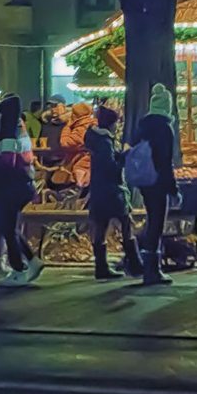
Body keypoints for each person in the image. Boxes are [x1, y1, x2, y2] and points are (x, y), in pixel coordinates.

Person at [0, 95, 41, 287]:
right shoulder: (21, 132)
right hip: (20, 187)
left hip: (8, 189)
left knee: (8, 229)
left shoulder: (8, 135)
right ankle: (31, 261)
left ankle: (19, 270)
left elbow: (7, 163)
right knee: (9, 228)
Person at [84, 105, 140, 280]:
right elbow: (111, 167)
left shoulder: (97, 140)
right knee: (125, 222)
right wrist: (124, 155)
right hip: (112, 190)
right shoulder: (105, 142)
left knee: (101, 226)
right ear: (111, 124)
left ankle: (101, 266)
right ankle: (134, 263)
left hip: (99, 189)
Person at [130, 85, 178, 286]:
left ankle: (147, 264)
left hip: (145, 180)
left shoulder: (143, 126)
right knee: (157, 222)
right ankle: (153, 269)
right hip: (158, 181)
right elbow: (164, 161)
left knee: (151, 219)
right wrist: (173, 188)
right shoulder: (164, 128)